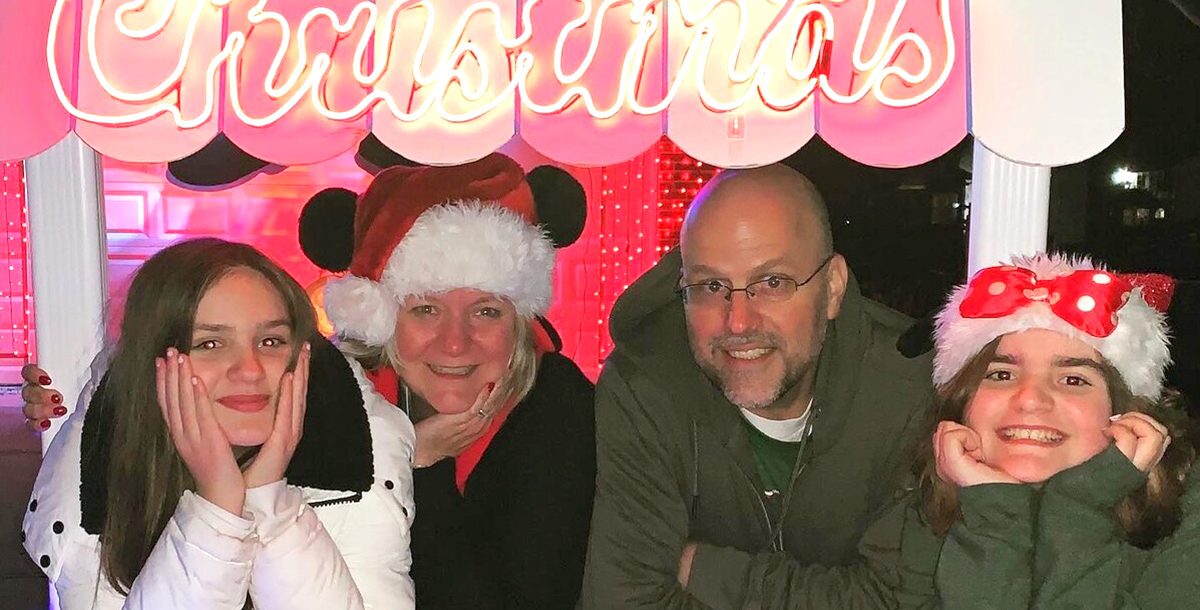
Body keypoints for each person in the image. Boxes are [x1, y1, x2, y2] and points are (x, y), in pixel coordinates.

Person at [579, 164, 936, 608]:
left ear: (833, 289)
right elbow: (623, 599)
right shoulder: (644, 387)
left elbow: (902, 600)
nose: (739, 321)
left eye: (773, 282)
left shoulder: (909, 393)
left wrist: (707, 570)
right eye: (711, 285)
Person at [21, 238, 417, 609]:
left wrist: (271, 503)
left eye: (271, 341)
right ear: (153, 365)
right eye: (210, 344)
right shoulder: (99, 480)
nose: (249, 369)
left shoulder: (359, 469)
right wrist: (216, 510)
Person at [299, 153, 596, 609]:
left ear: (518, 323)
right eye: (426, 309)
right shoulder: (328, 404)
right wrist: (408, 456)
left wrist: (423, 470)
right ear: (383, 320)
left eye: (486, 311)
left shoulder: (558, 406)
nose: (455, 344)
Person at [889, 252, 1200, 609]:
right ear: (962, 404)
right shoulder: (934, 504)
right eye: (1001, 374)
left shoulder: (1189, 524)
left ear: (1125, 412)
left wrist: (1079, 508)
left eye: (1073, 379)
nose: (1030, 400)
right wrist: (994, 517)